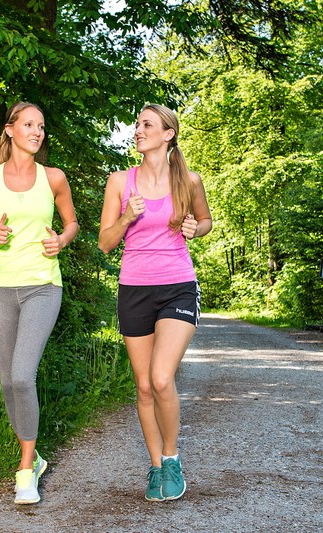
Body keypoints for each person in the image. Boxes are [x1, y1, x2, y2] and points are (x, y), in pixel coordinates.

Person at [0, 102, 79, 504]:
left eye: (42, 126)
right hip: (0, 287)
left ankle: (26, 469)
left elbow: (72, 223)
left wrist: (61, 240)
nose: (37, 131)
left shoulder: (54, 178)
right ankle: (33, 456)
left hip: (42, 285)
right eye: (29, 124)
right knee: (7, 381)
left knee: (21, 376)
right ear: (9, 131)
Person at [98, 103, 212, 502]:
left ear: (168, 134)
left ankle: (173, 458)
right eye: (137, 125)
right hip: (134, 288)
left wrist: (196, 228)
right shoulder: (119, 181)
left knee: (162, 378)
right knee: (144, 386)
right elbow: (105, 242)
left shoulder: (189, 181)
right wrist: (127, 218)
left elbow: (204, 220)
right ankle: (155, 467)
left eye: (147, 124)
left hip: (178, 285)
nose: (138, 130)